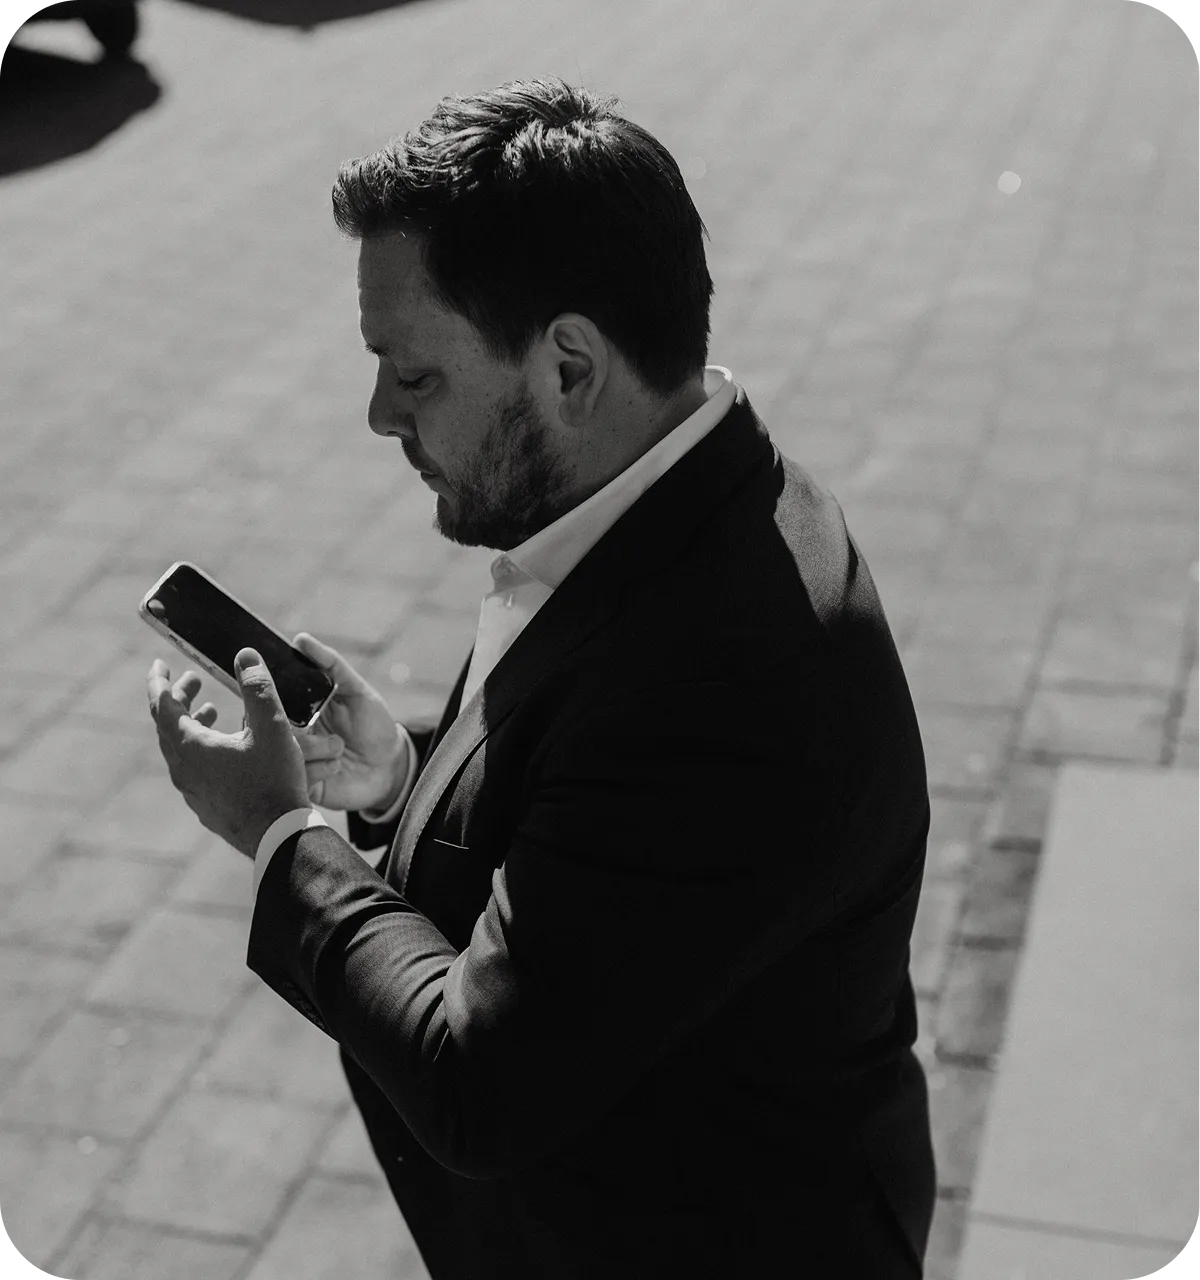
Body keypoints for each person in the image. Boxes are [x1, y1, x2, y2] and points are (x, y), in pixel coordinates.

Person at [147, 76, 936, 1278]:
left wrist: (280, 837)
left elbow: (480, 1079)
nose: (376, 414)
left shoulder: (727, 668)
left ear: (570, 366)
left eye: (414, 377)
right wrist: (405, 777)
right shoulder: (662, 496)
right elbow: (599, 822)